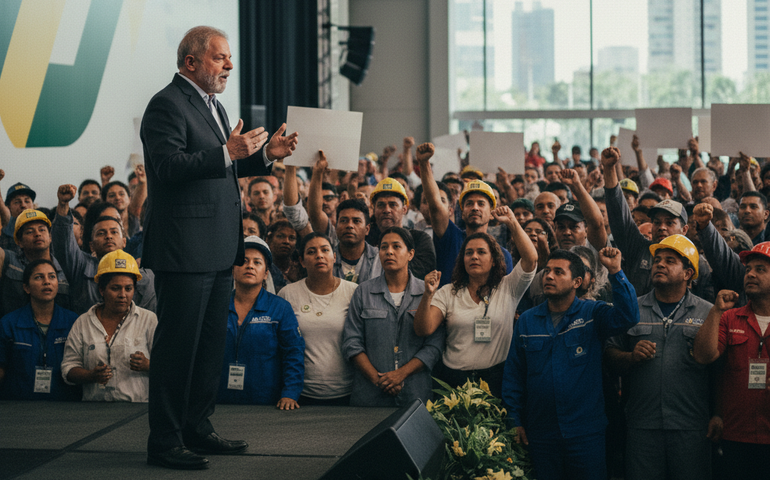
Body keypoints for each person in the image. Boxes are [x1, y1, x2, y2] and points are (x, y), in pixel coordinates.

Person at [140, 26, 298, 470]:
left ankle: (197, 427)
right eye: (220, 58)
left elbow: (221, 164)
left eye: (229, 58)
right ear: (191, 62)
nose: (229, 65)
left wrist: (267, 156)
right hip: (183, 248)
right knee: (178, 350)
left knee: (209, 347)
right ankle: (165, 441)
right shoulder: (166, 105)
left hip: (215, 246)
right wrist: (228, 151)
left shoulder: (213, 104)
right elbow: (170, 167)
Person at [503, 248, 640, 480]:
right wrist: (514, 419)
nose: (548, 276)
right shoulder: (527, 320)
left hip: (585, 433)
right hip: (541, 433)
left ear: (577, 281)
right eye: (547, 271)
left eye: (558, 272)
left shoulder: (593, 314)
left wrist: (616, 271)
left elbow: (628, 317)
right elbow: (514, 374)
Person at [604, 235, 716, 480]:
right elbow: (610, 355)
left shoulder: (708, 312)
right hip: (642, 424)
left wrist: (717, 413)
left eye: (670, 261)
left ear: (688, 274)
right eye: (657, 260)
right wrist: (631, 357)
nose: (659, 265)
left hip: (691, 425)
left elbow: (719, 370)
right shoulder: (631, 308)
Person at [414, 206, 537, 397]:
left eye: (481, 252)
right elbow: (424, 329)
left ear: (494, 260)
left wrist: (513, 222)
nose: (474, 257)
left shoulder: (508, 287)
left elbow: (531, 259)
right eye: (469, 253)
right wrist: (428, 295)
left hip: (495, 379)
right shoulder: (448, 292)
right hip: (453, 382)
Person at [342, 227, 444, 407]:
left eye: (396, 247)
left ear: (410, 254)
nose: (389, 251)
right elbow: (352, 342)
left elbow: (433, 346)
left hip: (415, 394)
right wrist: (379, 379)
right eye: (384, 247)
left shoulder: (427, 292)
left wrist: (400, 374)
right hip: (370, 394)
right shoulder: (363, 292)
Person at [693, 242, 770, 480]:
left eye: (761, 269)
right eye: (748, 269)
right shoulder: (729, 317)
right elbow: (704, 356)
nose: (751, 274)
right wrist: (715, 312)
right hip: (736, 432)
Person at [602, 147, 714, 303]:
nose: (662, 227)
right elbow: (619, 216)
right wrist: (609, 168)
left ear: (684, 230)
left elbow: (705, 306)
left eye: (669, 222)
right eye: (656, 222)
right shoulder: (639, 249)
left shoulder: (697, 262)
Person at [217, 236, 304, 408]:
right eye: (243, 261)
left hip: (266, 401)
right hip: (219, 400)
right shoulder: (216, 305)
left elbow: (293, 353)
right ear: (233, 269)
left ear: (265, 273)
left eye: (257, 262)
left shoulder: (280, 308)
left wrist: (290, 393)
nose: (249, 266)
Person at [60, 250, 157, 402]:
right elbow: (68, 368)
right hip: (94, 412)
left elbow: (170, 368)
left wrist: (148, 365)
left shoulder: (149, 320)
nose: (122, 294)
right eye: (115, 288)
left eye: (128, 288)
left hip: (136, 412)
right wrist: (91, 375)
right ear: (101, 290)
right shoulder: (83, 322)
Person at [415, 142, 513, 288]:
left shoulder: (502, 255)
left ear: (492, 213)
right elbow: (435, 205)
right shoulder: (450, 236)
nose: (475, 208)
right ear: (462, 212)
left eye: (481, 204)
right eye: (469, 204)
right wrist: (424, 163)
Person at [279, 233, 357, 405]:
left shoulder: (353, 292)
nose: (319, 255)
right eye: (311, 252)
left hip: (347, 391)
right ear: (301, 260)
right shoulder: (288, 294)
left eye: (325, 250)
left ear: (334, 257)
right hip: (300, 393)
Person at [53, 190, 156, 314]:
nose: (108, 236)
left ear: (124, 242)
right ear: (91, 246)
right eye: (101, 233)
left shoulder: (144, 276)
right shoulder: (81, 266)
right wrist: (63, 205)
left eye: (114, 232)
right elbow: (63, 246)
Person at [0, 259, 80, 401]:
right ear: (26, 287)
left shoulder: (74, 322)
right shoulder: (9, 324)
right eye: (39, 277)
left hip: (64, 407)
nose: (47, 282)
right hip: (18, 407)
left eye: (52, 276)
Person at [0, 210, 71, 316]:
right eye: (29, 231)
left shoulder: (66, 266)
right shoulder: (8, 260)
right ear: (19, 242)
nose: (37, 234)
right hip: (12, 330)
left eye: (42, 230)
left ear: (50, 237)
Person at [364, 177, 436, 281]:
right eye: (381, 205)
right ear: (373, 209)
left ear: (404, 209)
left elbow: (420, 276)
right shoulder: (366, 239)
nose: (387, 210)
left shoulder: (420, 240)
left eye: (393, 205)